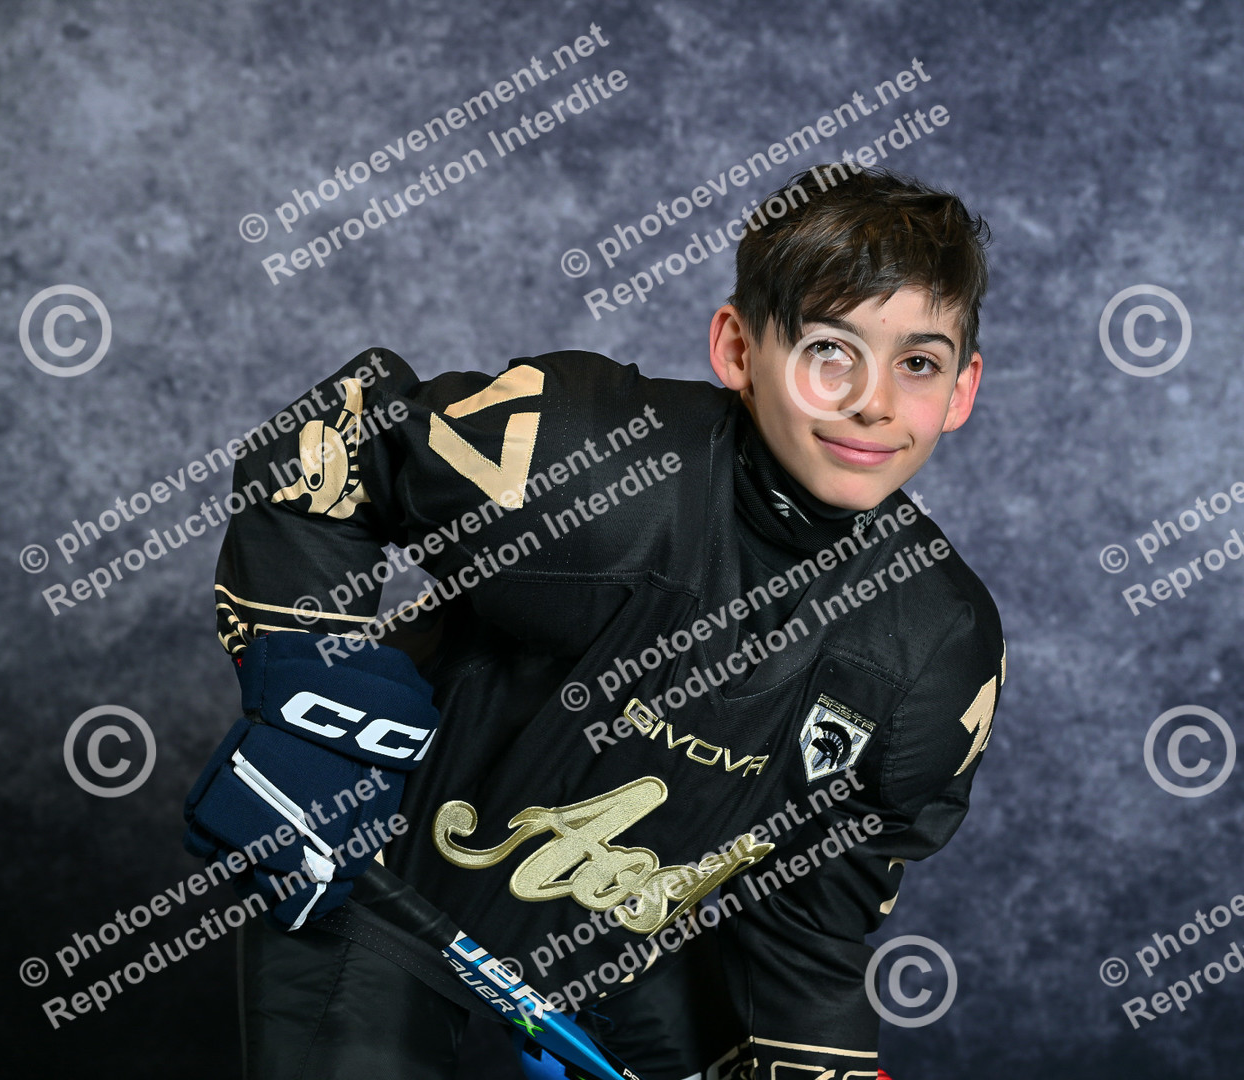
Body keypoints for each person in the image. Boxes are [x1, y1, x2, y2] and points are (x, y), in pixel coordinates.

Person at [183, 164, 1006, 1080]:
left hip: (625, 941)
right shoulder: (601, 468)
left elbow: (813, 913)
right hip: (381, 877)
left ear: (961, 389)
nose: (874, 401)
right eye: (828, 350)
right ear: (738, 349)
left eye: (918, 363)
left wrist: (817, 1062)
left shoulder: (938, 648)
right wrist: (314, 718)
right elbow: (336, 450)